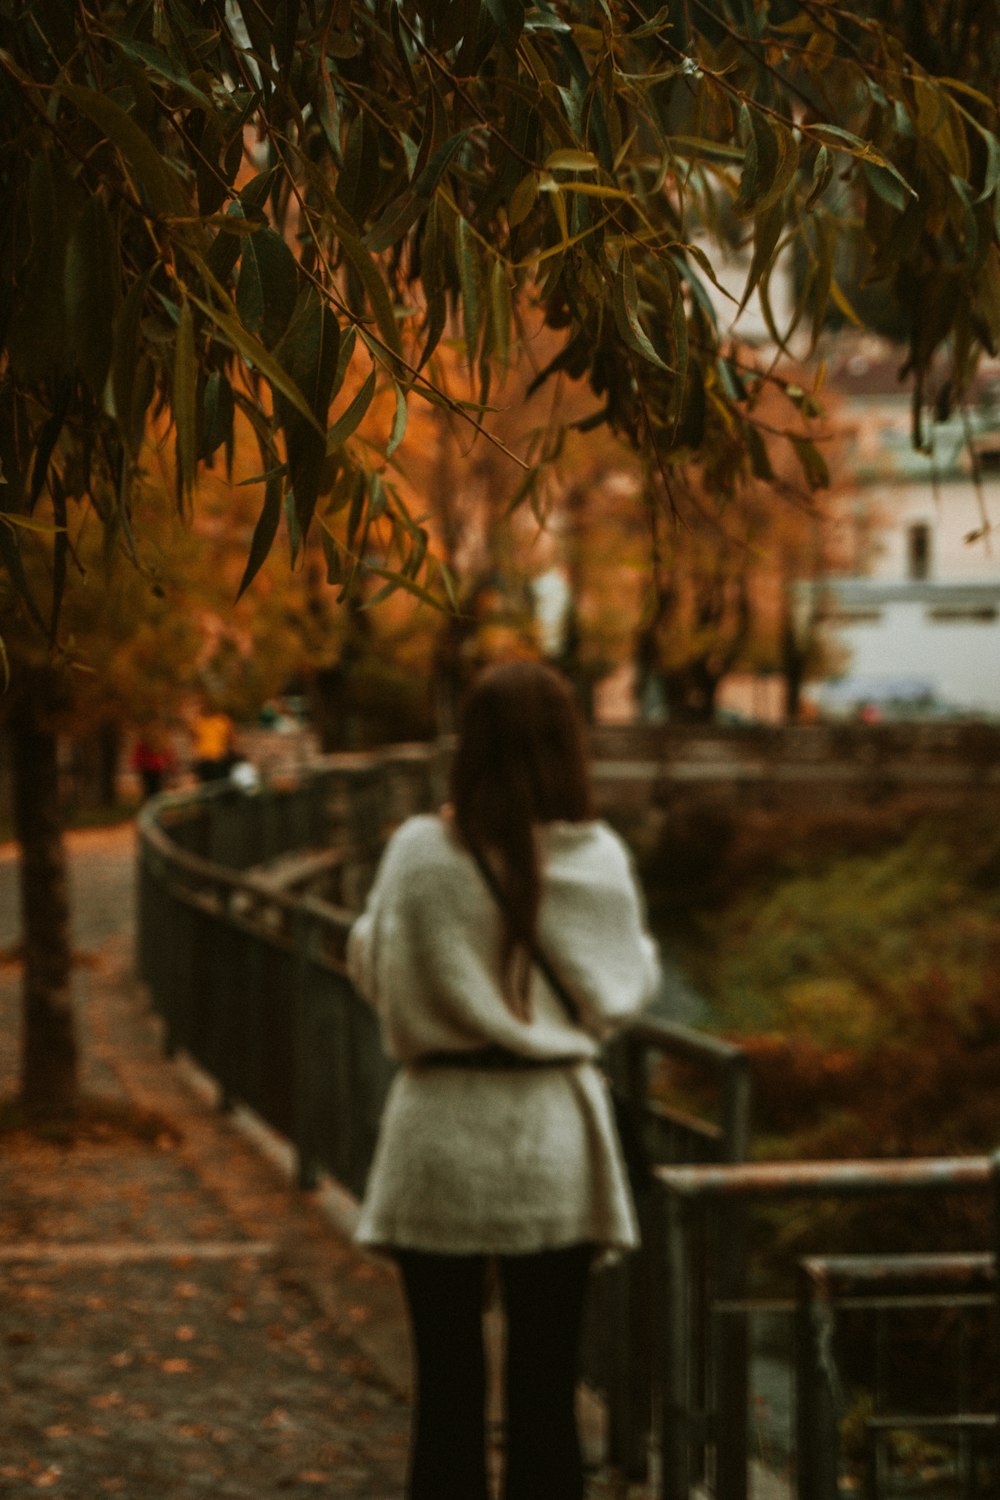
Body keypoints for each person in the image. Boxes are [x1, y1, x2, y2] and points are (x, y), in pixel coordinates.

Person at [346, 660, 661, 1500]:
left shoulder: (420, 852)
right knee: (546, 1387)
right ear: (569, 746)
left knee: (445, 1387)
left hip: (439, 1129)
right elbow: (625, 988)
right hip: (549, 1134)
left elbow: (374, 962)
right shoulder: (597, 859)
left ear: (469, 747)